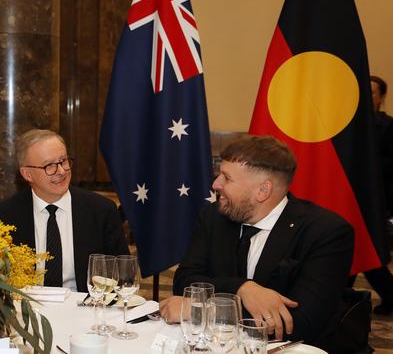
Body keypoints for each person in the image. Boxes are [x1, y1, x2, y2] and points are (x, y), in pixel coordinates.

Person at [159, 135, 354, 348]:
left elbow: (300, 323)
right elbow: (185, 282)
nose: (216, 184)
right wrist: (242, 289)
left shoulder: (326, 232)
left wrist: (202, 309)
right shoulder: (213, 217)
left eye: (227, 178)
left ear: (263, 191)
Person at [0, 129, 129, 292]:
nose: (61, 171)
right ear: (27, 174)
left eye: (63, 161)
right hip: (29, 309)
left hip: (86, 309)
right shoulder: (6, 215)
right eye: (49, 165)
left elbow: (122, 273)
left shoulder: (101, 210)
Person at [359, 75, 393, 315]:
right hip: (354, 198)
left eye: (372, 92)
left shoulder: (388, 126)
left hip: (377, 200)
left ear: (381, 97)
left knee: (370, 254)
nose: (368, 95)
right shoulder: (352, 125)